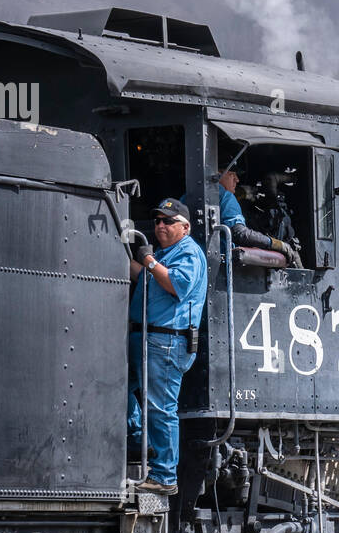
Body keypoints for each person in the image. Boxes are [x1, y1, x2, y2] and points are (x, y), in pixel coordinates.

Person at [127, 197, 208, 495]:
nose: (161, 225)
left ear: (185, 227)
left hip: (166, 341)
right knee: (123, 390)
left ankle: (164, 475)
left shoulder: (189, 253)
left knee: (161, 407)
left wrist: (148, 260)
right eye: (158, 221)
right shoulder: (166, 253)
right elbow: (149, 278)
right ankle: (140, 440)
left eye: (168, 221)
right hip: (148, 338)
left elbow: (176, 284)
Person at [216, 167, 302, 267]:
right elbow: (239, 232)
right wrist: (277, 245)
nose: (237, 179)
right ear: (218, 173)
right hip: (223, 265)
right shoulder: (225, 196)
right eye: (232, 174)